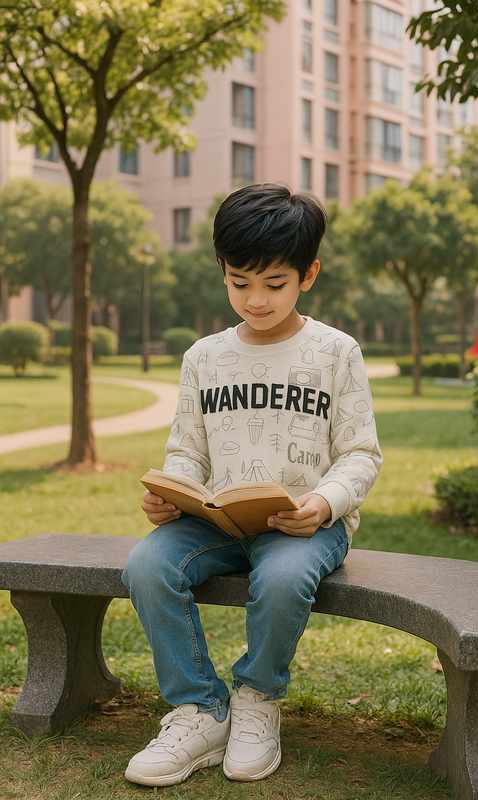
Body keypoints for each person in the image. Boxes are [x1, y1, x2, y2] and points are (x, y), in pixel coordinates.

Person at [122, 183, 382, 787]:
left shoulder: (336, 353)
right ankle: (199, 710)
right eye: (240, 283)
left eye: (274, 284)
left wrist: (322, 505)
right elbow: (187, 450)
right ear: (222, 271)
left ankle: (257, 700)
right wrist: (171, 492)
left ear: (308, 275)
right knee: (145, 564)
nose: (256, 299)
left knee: (285, 575)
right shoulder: (203, 358)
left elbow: (360, 454)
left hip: (304, 527)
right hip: (215, 522)